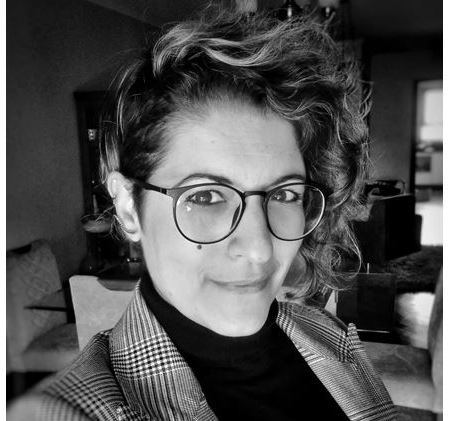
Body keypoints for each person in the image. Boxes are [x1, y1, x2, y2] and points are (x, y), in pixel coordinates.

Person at [8, 5, 397, 420]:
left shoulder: (329, 336)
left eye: (285, 194)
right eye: (207, 196)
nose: (260, 249)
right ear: (128, 206)